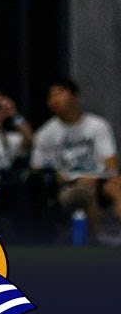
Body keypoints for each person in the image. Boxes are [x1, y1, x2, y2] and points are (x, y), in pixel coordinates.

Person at [30, 77, 121, 244]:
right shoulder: (45, 134)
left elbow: (111, 165)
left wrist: (96, 177)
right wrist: (57, 175)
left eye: (59, 94)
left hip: (99, 179)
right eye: (50, 97)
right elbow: (37, 168)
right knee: (85, 189)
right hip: (68, 185)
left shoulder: (97, 125)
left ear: (74, 96)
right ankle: (96, 240)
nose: (54, 100)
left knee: (117, 187)